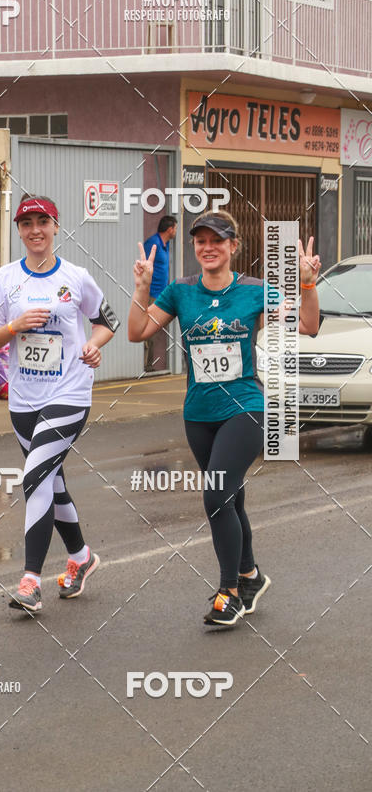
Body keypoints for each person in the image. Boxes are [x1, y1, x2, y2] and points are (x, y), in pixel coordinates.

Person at [128, 210, 321, 626]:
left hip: (246, 408)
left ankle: (229, 591)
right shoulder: (181, 291)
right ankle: (250, 575)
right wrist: (141, 289)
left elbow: (308, 324)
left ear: (233, 247)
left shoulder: (255, 292)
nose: (208, 247)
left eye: (217, 240)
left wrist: (307, 283)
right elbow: (137, 331)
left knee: (215, 494)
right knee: (231, 497)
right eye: (200, 241)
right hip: (198, 413)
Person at [0, 194, 119, 612]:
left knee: (36, 476)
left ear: (56, 226)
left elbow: (106, 321)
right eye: (26, 223)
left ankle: (30, 581)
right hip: (23, 398)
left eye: (43, 221)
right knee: (51, 480)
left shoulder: (75, 277)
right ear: (19, 231)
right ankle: (81, 558)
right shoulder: (4, 279)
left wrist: (93, 346)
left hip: (70, 393)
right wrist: (14, 326)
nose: (35, 230)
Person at [143, 216, 177, 371]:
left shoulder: (165, 244)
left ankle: (149, 365)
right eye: (175, 228)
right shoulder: (154, 244)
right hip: (152, 294)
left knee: (155, 330)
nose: (176, 231)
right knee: (148, 330)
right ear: (170, 229)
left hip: (161, 294)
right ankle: (145, 365)